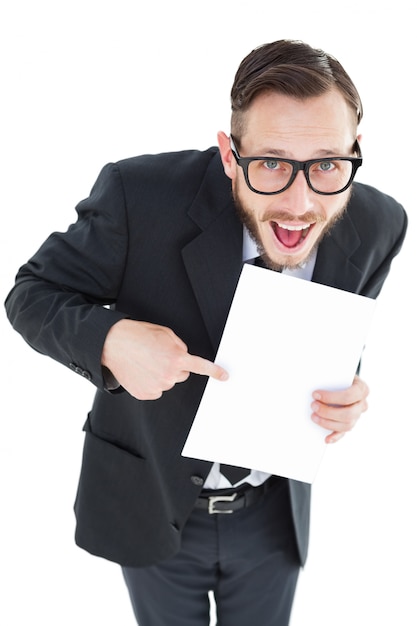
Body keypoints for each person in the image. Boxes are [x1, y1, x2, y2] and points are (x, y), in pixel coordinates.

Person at [5, 39, 407, 626]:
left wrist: (351, 390)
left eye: (327, 163)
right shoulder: (136, 196)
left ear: (355, 152)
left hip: (274, 517)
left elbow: (341, 338)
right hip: (152, 506)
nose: (300, 203)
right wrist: (110, 341)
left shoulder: (379, 224)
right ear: (228, 154)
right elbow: (30, 295)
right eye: (271, 162)